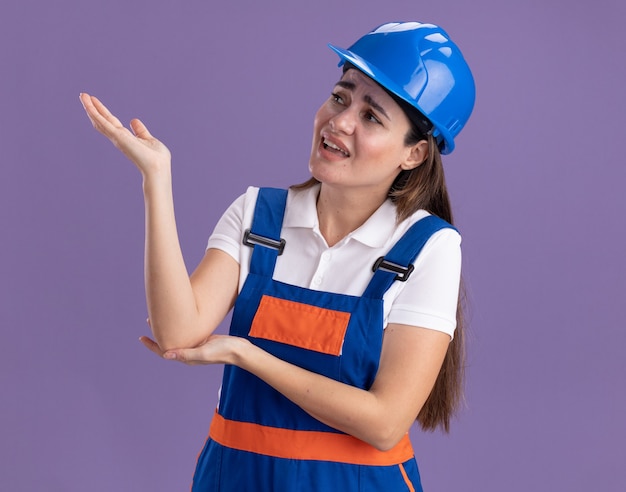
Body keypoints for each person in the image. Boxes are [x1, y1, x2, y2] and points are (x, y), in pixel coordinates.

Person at [80, 21, 475, 492]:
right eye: (340, 96)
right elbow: (177, 333)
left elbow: (384, 422)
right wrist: (155, 180)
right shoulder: (257, 216)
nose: (340, 121)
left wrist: (246, 354)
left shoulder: (429, 247)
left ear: (414, 154)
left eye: (372, 117)